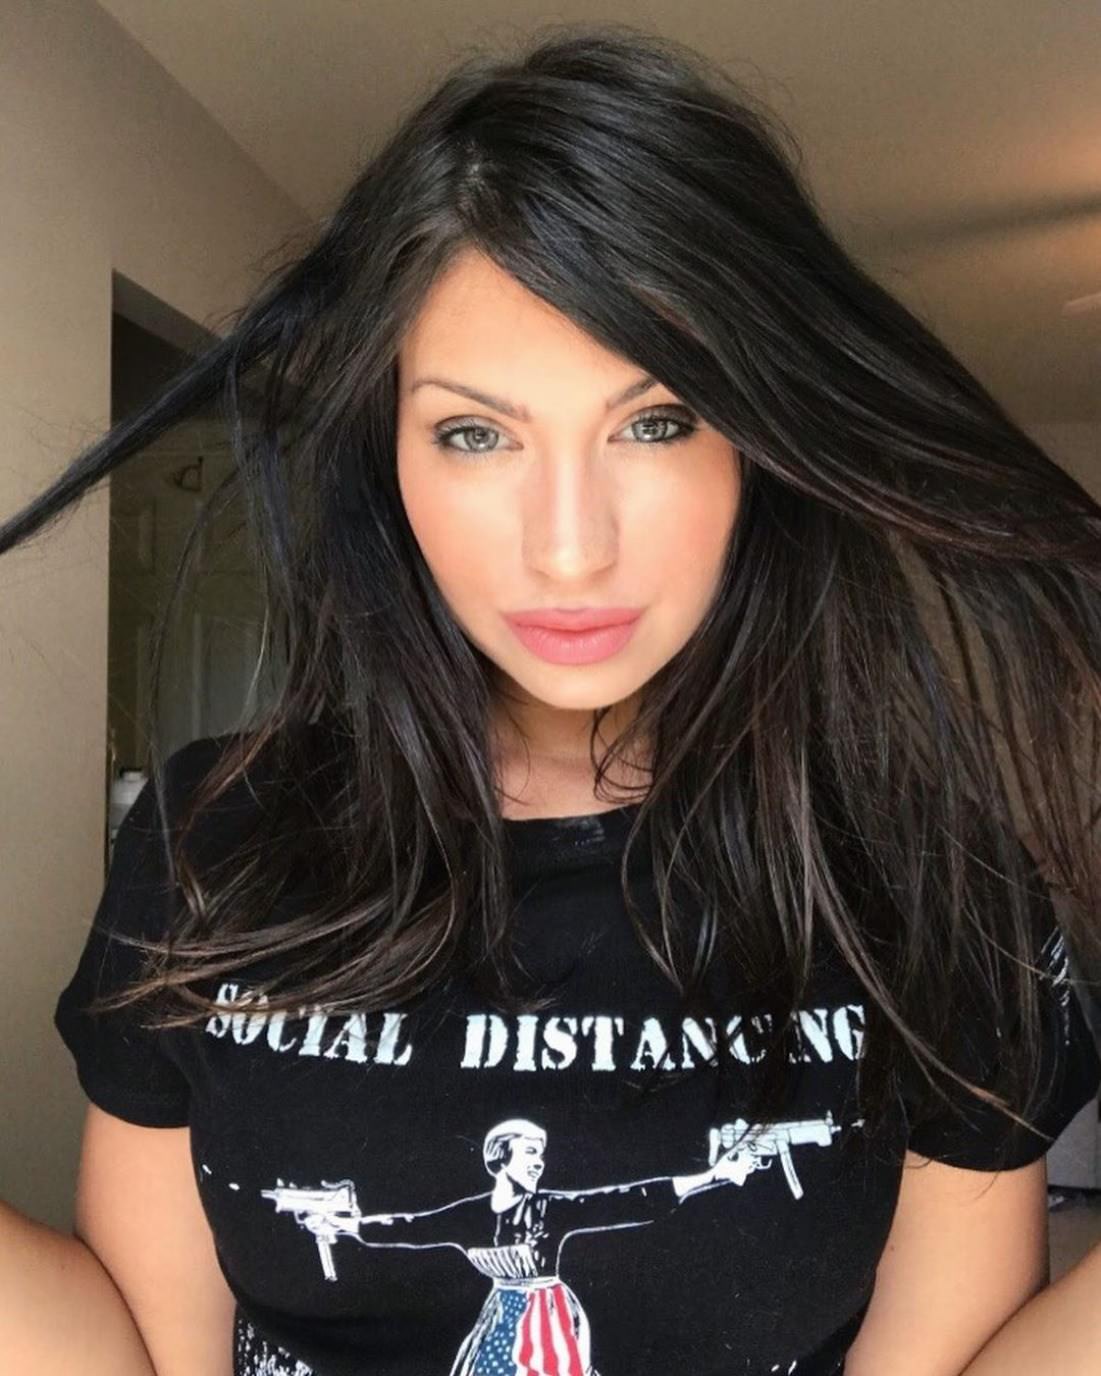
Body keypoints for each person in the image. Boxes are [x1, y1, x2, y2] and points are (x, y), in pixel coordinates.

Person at [2, 21, 1101, 1376]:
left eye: (656, 421)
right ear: (389, 454)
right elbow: (145, 1355)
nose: (569, 547)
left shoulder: (931, 876)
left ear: (759, 443)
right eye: (474, 433)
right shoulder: (213, 835)